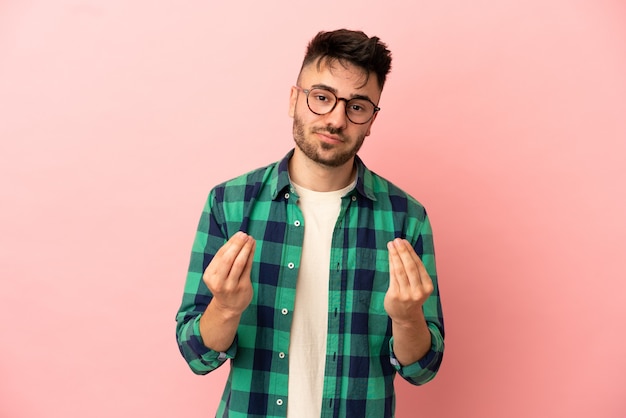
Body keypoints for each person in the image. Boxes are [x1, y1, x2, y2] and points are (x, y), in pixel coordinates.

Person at [175, 28, 444, 418]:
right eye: (321, 98)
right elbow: (196, 354)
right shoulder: (230, 204)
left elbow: (423, 369)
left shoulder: (406, 218)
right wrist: (227, 309)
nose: (336, 119)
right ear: (293, 100)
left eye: (357, 107)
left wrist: (406, 318)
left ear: (372, 119)